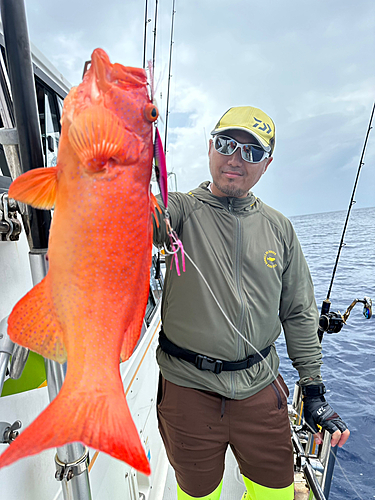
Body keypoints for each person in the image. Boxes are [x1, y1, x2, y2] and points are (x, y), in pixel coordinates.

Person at [152, 106, 350, 500]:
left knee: (275, 494)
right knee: (196, 496)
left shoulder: (279, 227)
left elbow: (298, 312)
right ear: (210, 147)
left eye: (252, 152)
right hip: (189, 388)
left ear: (267, 163)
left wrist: (312, 389)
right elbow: (140, 217)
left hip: (260, 388)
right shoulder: (179, 209)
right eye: (226, 144)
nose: (235, 159)